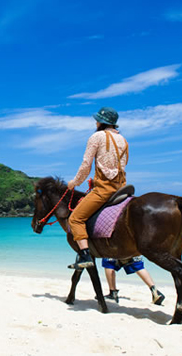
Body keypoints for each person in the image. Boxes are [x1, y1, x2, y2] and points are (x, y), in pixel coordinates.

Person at [67, 107, 128, 269]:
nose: (95, 122)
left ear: (102, 122)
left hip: (104, 189)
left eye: (97, 119)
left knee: (75, 219)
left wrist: (75, 182)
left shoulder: (97, 137)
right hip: (121, 187)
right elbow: (121, 165)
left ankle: (85, 255)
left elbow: (86, 165)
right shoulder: (123, 140)